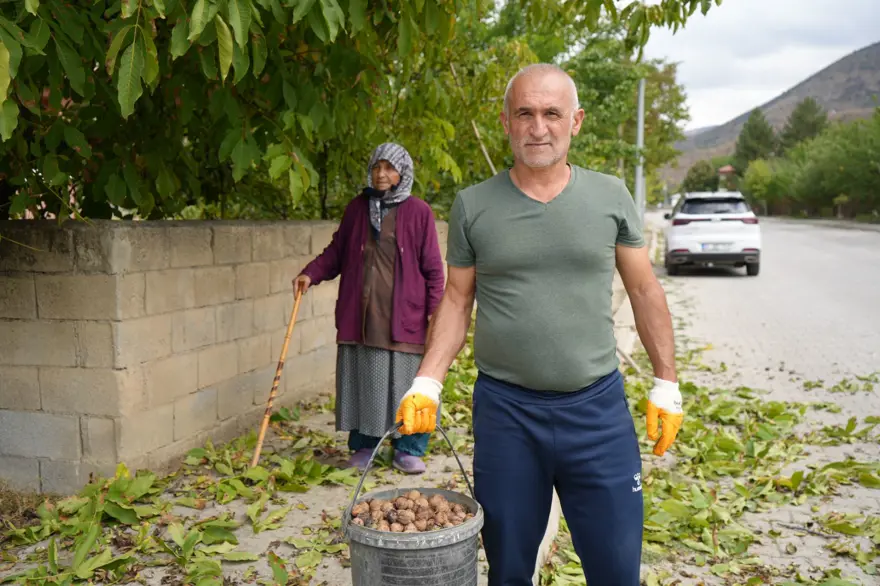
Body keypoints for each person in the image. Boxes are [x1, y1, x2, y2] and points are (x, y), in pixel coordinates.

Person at [394, 64, 684, 585]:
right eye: (524, 113)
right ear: (505, 121)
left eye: (552, 113)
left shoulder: (610, 196)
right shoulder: (474, 205)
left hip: (597, 413)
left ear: (576, 121)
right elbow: (457, 300)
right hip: (507, 416)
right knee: (507, 570)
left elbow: (644, 290)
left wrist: (667, 384)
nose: (538, 127)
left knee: (617, 571)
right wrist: (427, 381)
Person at [294, 142, 445, 475]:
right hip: (362, 317)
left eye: (389, 168)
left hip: (406, 317)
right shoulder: (357, 209)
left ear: (402, 173)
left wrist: (435, 311)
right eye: (377, 167)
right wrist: (311, 273)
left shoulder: (419, 212)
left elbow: (433, 268)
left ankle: (408, 449)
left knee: (410, 383)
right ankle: (365, 446)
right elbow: (337, 252)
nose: (381, 174)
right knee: (365, 381)